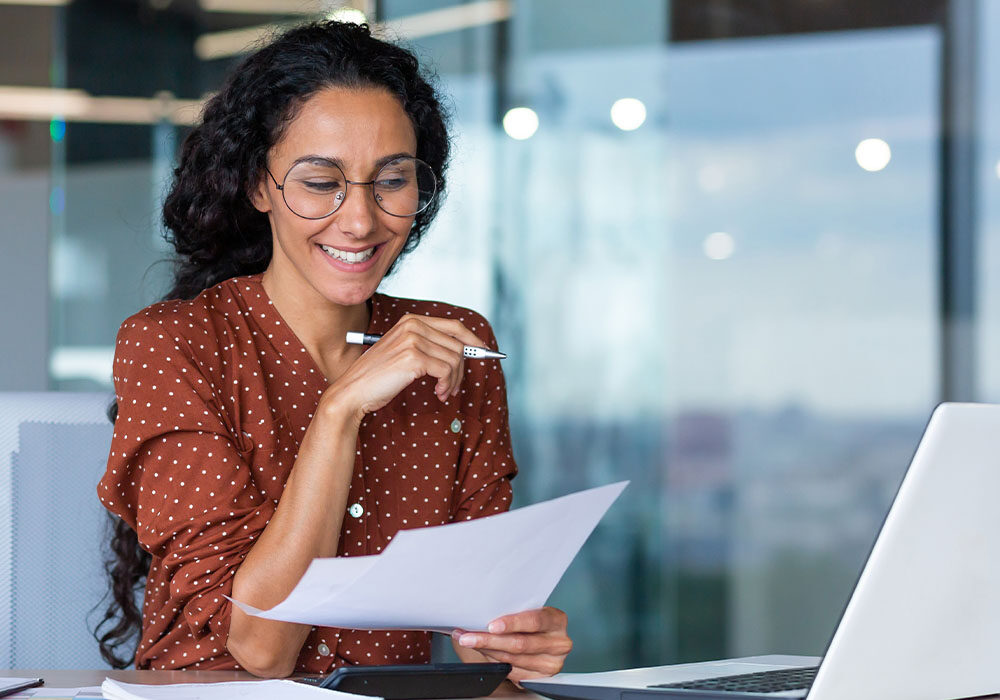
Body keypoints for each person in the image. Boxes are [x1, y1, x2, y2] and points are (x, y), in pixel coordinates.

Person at [94, 20, 571, 682]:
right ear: (260, 186)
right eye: (321, 182)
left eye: (393, 180)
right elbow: (261, 648)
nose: (361, 220)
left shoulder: (454, 343)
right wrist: (340, 408)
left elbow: (480, 622)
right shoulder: (174, 344)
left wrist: (513, 646)